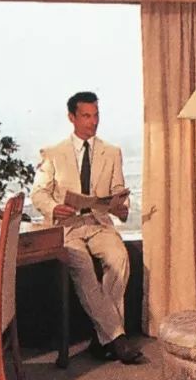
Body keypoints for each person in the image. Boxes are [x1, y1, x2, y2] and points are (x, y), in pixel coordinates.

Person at [31, 92, 142, 365]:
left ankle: (103, 335)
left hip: (98, 223)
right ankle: (117, 338)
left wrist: (120, 205)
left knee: (119, 259)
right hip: (68, 227)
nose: (93, 122)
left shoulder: (111, 152)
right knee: (82, 267)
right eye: (86, 116)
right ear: (72, 117)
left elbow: (118, 189)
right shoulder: (53, 153)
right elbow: (38, 194)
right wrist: (54, 208)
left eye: (96, 115)